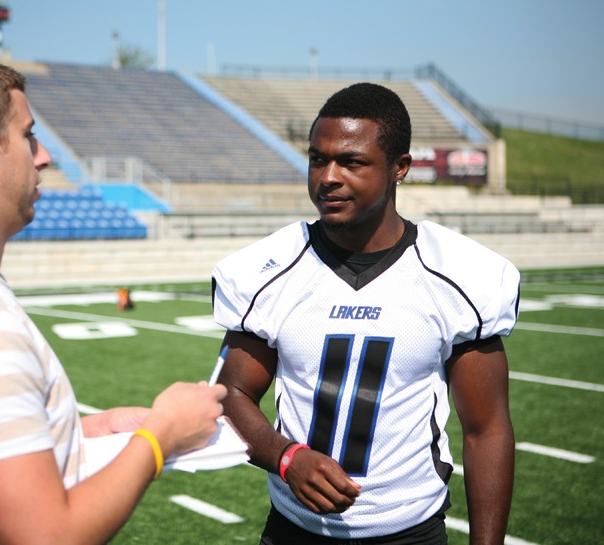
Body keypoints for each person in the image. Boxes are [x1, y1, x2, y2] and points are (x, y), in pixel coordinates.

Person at [0, 52, 226, 545]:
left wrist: (89, 430)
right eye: (27, 135)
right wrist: (160, 437)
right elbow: (46, 536)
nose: (43, 156)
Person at [211, 82, 519, 545]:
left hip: (411, 532)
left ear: (401, 169)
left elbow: (486, 429)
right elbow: (230, 393)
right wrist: (286, 457)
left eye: (352, 162)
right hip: (295, 531)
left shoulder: (459, 274)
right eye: (318, 159)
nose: (328, 177)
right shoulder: (266, 269)